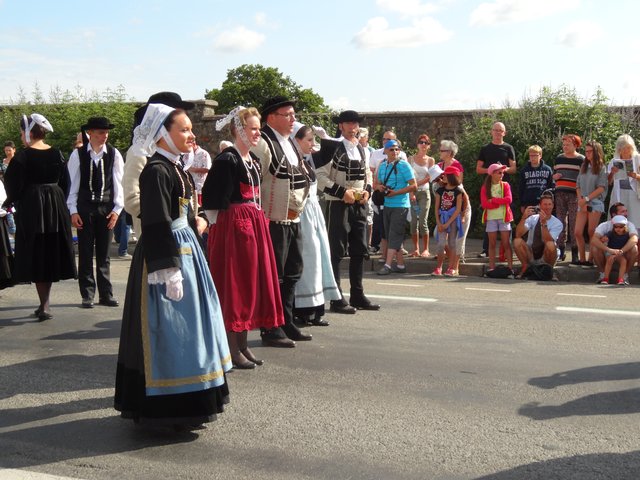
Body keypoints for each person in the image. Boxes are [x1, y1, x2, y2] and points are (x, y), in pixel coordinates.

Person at [114, 103, 231, 429]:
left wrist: (195, 224)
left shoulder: (175, 168)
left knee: (190, 329)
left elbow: (180, 211)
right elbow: (154, 221)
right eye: (184, 129)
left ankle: (192, 397)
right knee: (169, 331)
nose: (191, 135)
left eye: (191, 129)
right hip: (165, 256)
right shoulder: (156, 170)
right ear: (163, 134)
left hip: (186, 250)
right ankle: (170, 407)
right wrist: (167, 270)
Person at [202, 106, 284, 367]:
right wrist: (219, 229)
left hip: (253, 223)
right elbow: (212, 199)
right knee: (236, 285)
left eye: (258, 128)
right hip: (234, 227)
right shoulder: (228, 160)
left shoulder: (253, 161)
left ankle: (243, 344)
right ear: (239, 130)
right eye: (253, 128)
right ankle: (230, 347)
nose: (258, 133)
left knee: (250, 285)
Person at [251, 96, 314, 346]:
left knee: (292, 273)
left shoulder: (289, 143)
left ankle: (286, 321)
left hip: (293, 218)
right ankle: (270, 326)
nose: (293, 119)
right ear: (271, 118)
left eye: (293, 114)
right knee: (273, 275)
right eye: (287, 114)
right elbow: (253, 184)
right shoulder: (263, 143)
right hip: (272, 221)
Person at [2, 114, 76, 320]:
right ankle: (45, 304)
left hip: (33, 207)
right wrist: (57, 198)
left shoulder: (23, 157)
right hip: (55, 205)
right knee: (50, 249)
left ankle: (44, 304)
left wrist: (13, 200)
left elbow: (12, 185)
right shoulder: (57, 153)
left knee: (37, 251)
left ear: (28, 132)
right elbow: (65, 182)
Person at [315, 109, 379, 313]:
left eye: (355, 124)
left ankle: (358, 294)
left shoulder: (362, 149)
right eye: (349, 124)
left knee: (360, 250)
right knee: (336, 251)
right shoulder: (331, 147)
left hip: (359, 205)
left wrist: (368, 191)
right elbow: (320, 177)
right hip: (337, 204)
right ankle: (336, 298)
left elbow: (368, 174)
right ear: (341, 126)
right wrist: (342, 192)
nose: (353, 127)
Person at [67, 116, 124, 308]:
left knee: (104, 253)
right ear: (90, 133)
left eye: (106, 132)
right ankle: (87, 294)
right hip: (84, 208)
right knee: (84, 252)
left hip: (106, 208)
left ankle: (106, 294)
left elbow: (119, 184)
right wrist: (73, 210)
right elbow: (72, 184)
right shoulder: (78, 155)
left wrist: (117, 209)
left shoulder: (114, 154)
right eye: (100, 132)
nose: (104, 136)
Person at [123, 92, 196, 237]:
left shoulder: (176, 155)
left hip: (184, 233)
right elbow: (132, 199)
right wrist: (167, 220)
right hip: (156, 237)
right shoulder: (140, 153)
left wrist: (192, 218)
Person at [291, 124, 340, 326]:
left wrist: (325, 135)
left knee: (319, 259)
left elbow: (330, 152)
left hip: (314, 213)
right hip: (300, 214)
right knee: (307, 261)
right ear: (296, 140)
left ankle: (317, 309)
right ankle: (302, 311)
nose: (313, 144)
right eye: (309, 140)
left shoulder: (308, 160)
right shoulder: (292, 162)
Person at [375, 139, 416, 275]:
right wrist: (380, 187)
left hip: (400, 205)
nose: (395, 151)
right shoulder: (382, 166)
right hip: (387, 204)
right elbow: (377, 184)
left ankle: (387, 265)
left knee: (394, 234)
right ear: (385, 151)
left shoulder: (404, 165)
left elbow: (414, 185)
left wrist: (396, 192)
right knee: (391, 235)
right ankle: (400, 265)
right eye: (391, 149)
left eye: (397, 149)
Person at [476, 122, 517, 258]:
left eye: (501, 130)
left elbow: (513, 168)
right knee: (489, 218)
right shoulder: (485, 149)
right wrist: (491, 170)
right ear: (491, 132)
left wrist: (502, 170)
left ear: (504, 133)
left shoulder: (508, 148)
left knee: (506, 218)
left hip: (504, 188)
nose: (498, 132)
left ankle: (506, 252)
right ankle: (486, 250)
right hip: (488, 187)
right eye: (496, 130)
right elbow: (478, 169)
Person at [437, 140, 471, 266]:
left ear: (449, 152)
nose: (439, 152)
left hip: (459, 207)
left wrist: (462, 215)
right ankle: (452, 258)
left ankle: (456, 264)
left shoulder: (457, 165)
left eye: (442, 150)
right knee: (438, 234)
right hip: (446, 208)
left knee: (458, 238)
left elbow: (459, 187)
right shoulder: (439, 165)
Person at [574, 140, 607, 266]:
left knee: (592, 231)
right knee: (577, 232)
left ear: (596, 152)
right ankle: (582, 259)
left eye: (590, 151)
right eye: (586, 151)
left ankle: (591, 259)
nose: (587, 154)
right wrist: (581, 201)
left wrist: (587, 199)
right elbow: (577, 185)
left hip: (595, 202)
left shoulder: (601, 167)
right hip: (583, 202)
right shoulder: (583, 166)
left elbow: (601, 187)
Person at [513, 192, 563, 275]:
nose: (547, 207)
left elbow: (548, 241)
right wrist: (523, 218)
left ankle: (549, 270)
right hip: (531, 253)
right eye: (545, 204)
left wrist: (544, 224)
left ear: (553, 206)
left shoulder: (557, 223)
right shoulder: (533, 218)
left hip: (547, 255)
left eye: (549, 204)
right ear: (540, 206)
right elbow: (518, 234)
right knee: (517, 241)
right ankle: (525, 267)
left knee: (551, 244)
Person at [552, 134, 584, 261]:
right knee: (560, 222)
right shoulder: (559, 158)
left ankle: (575, 253)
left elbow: (584, 178)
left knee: (574, 223)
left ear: (575, 145)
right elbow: (554, 175)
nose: (565, 147)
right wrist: (555, 177)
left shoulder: (581, 159)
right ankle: (561, 251)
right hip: (560, 193)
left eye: (568, 145)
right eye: (563, 145)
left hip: (574, 195)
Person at [590, 202, 638, 284]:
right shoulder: (604, 225)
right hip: (608, 253)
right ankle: (603, 274)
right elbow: (594, 239)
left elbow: (634, 239)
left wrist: (621, 251)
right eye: (623, 211)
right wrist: (609, 250)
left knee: (635, 249)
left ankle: (625, 276)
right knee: (594, 247)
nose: (626, 213)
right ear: (614, 214)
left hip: (624, 253)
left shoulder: (629, 225)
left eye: (626, 211)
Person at [480, 163, 514, 272]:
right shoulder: (485, 187)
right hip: (491, 219)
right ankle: (491, 268)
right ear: (492, 174)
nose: (502, 174)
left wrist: (494, 200)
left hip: (504, 218)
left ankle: (510, 268)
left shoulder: (505, 185)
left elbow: (508, 200)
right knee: (492, 244)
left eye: (502, 172)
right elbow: (485, 204)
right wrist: (499, 202)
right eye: (499, 172)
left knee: (506, 243)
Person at [432, 166, 464, 276]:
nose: (443, 176)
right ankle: (439, 267)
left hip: (453, 220)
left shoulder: (458, 191)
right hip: (442, 218)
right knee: (441, 244)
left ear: (451, 176)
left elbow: (458, 210)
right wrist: (439, 222)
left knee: (452, 243)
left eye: (445, 175)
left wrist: (447, 223)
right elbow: (436, 208)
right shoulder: (439, 191)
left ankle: (451, 268)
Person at [408, 134, 434, 257]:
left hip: (424, 193)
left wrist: (416, 185)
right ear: (417, 144)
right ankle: (416, 249)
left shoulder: (430, 160)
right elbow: (407, 178)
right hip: (413, 193)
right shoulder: (410, 159)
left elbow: (430, 177)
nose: (423, 144)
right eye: (421, 142)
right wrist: (411, 192)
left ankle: (426, 249)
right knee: (414, 222)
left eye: (426, 143)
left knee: (423, 220)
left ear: (429, 146)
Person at [606, 134, 640, 229]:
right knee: (619, 219)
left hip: (635, 194)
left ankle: (636, 241)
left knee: (636, 219)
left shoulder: (637, 158)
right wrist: (612, 173)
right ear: (619, 148)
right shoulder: (614, 161)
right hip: (619, 193)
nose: (625, 151)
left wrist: (636, 176)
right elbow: (608, 182)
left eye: (628, 148)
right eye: (623, 148)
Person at [519, 145, 554, 213]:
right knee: (530, 222)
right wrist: (522, 204)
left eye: (535, 155)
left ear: (540, 155)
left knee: (543, 222)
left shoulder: (547, 169)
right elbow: (521, 188)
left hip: (543, 202)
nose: (533, 158)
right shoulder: (524, 170)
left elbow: (551, 186)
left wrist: (550, 201)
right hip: (529, 202)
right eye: (531, 155)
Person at [601, 215, 631, 285]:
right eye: (616, 227)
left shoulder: (627, 235)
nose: (618, 229)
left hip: (620, 252)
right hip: (611, 251)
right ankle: (605, 278)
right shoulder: (611, 233)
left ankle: (620, 279)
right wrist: (604, 239)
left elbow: (630, 242)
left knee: (624, 261)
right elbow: (603, 239)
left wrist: (621, 252)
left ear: (625, 227)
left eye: (620, 227)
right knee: (610, 259)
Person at [185, 140, 212, 206]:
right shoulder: (186, 154)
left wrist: (193, 170)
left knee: (198, 208)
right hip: (188, 186)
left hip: (199, 187)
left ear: (194, 144)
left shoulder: (204, 153)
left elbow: (208, 169)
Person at [1, 141, 17, 236]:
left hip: (19, 192)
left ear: (14, 150)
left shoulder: (19, 161)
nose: (8, 152)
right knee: (9, 216)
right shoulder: (2, 163)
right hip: (7, 192)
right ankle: (14, 236)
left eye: (9, 150)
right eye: (6, 150)